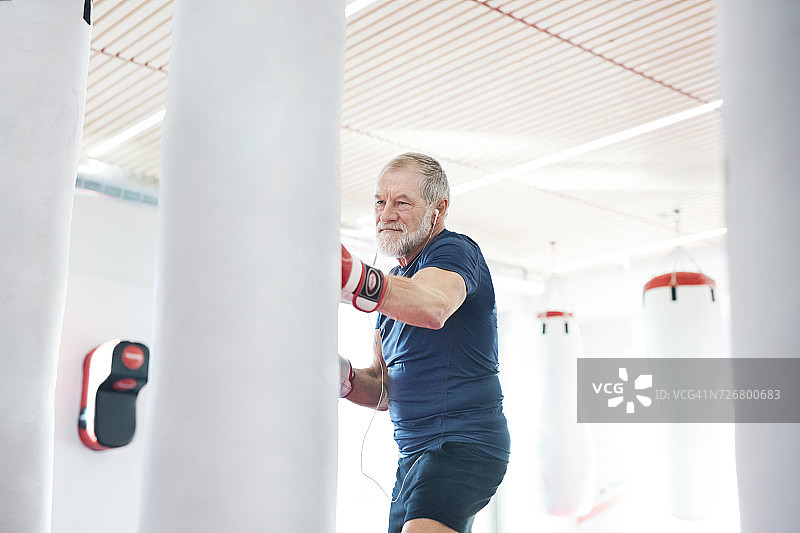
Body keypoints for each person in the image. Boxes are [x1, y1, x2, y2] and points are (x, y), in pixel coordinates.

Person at [340, 153, 510, 533]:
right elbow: (384, 391)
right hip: (414, 459)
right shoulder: (393, 290)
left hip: (464, 445)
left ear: (438, 209)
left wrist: (356, 280)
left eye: (402, 202)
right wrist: (341, 376)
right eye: (380, 202)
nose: (386, 214)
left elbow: (432, 306)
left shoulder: (453, 251)